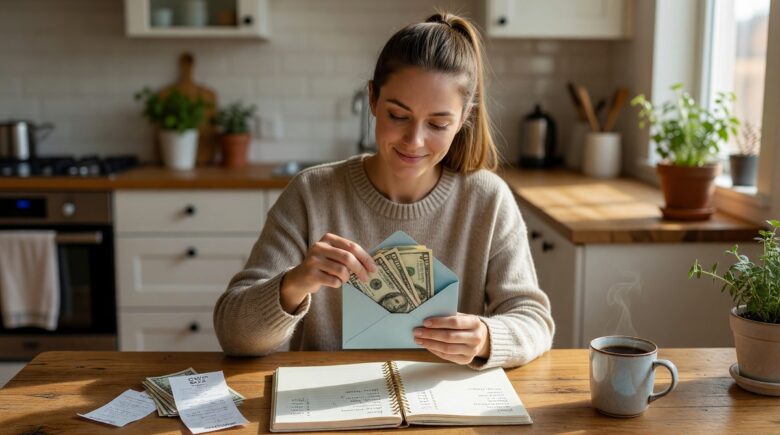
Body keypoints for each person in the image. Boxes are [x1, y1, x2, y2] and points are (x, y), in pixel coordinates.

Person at [214, 11, 554, 369]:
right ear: (373, 99)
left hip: (442, 396)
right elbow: (233, 334)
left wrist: (485, 337)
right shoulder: (311, 193)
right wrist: (294, 284)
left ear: (464, 118)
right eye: (398, 116)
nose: (414, 140)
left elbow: (534, 321)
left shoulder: (488, 199)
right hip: (329, 393)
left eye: (438, 124)